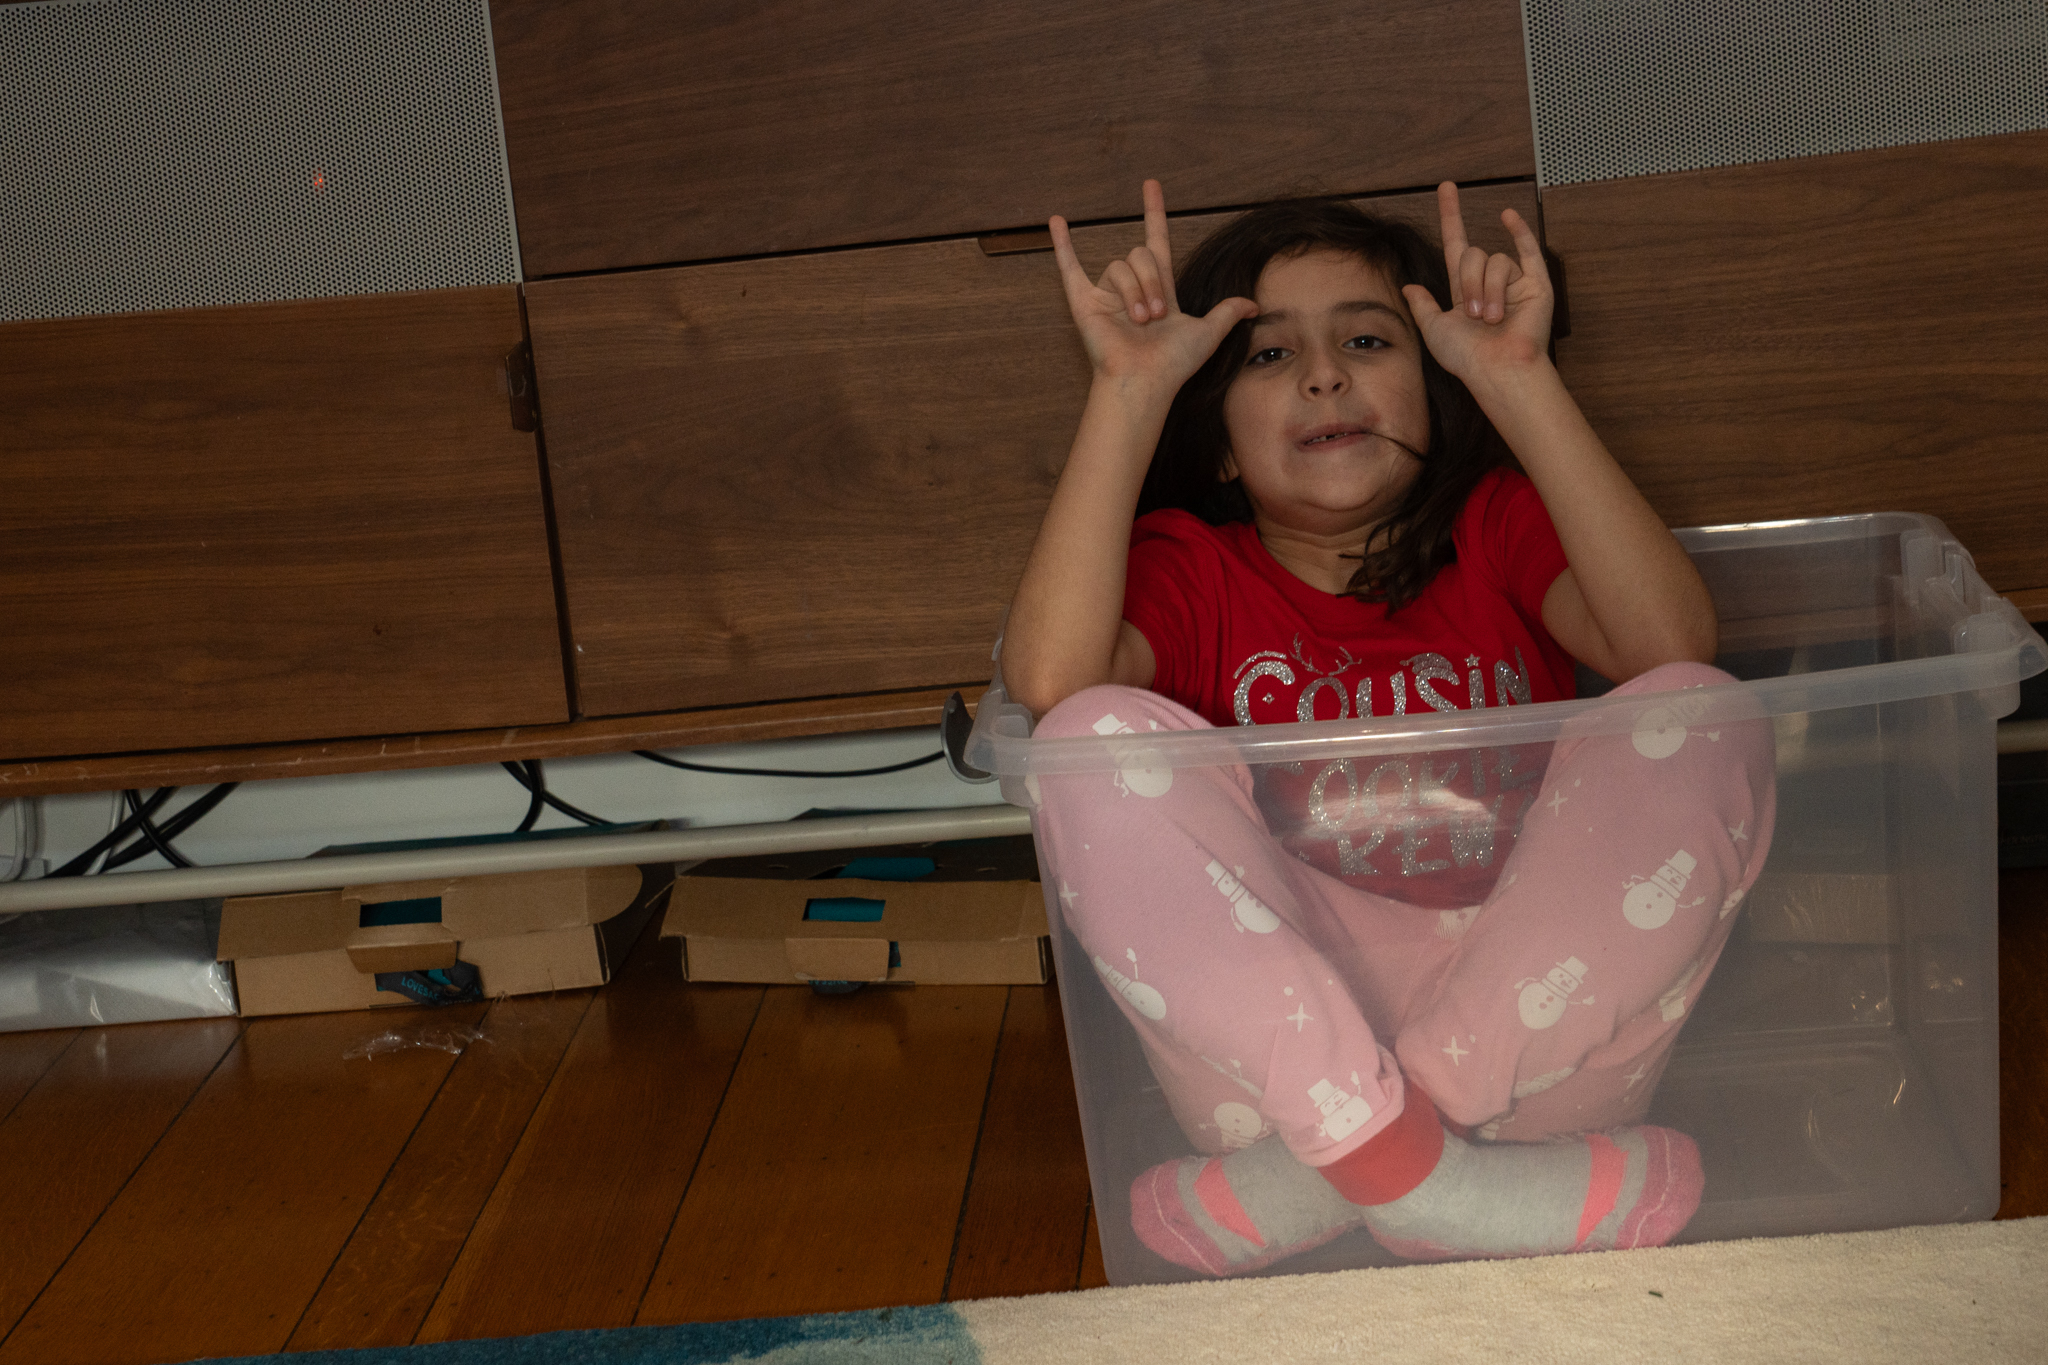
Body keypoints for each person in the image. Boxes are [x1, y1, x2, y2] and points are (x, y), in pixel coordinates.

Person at [1000, 181, 1776, 1274]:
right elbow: (1050, 684)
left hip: (1533, 1053)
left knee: (1698, 709)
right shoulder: (1194, 568)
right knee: (1085, 738)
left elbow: (1668, 643)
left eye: (1365, 341)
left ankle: (1367, 1167)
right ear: (1218, 445)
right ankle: (1434, 1180)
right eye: (1270, 355)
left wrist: (1516, 378)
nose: (1323, 374)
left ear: (1433, 396)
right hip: (1278, 1071)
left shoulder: (1493, 527)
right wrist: (1127, 390)